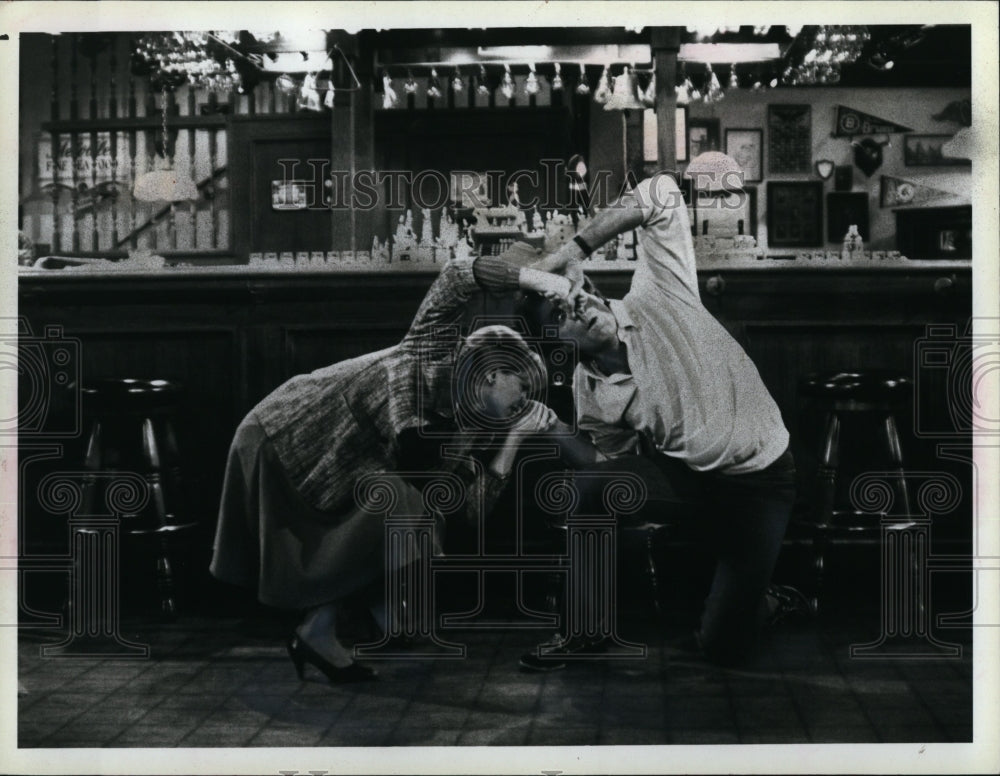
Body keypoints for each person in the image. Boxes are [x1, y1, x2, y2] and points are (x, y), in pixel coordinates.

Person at [210, 255, 570, 683]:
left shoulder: (478, 424)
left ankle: (337, 626)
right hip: (284, 438)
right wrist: (538, 277)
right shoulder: (433, 349)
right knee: (403, 501)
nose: (526, 403)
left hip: (344, 472)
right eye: (524, 387)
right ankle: (356, 620)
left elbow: (465, 515)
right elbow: (457, 276)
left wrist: (511, 443)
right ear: (492, 374)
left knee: (411, 505)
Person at [518, 172, 797, 668]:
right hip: (691, 484)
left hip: (761, 482)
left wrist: (569, 251)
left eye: (573, 291)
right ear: (558, 344)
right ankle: (584, 630)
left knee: (721, 649)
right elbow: (607, 466)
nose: (576, 303)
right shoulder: (590, 389)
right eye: (559, 313)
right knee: (587, 489)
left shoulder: (657, 293)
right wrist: (547, 425)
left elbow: (662, 190)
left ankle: (766, 598)